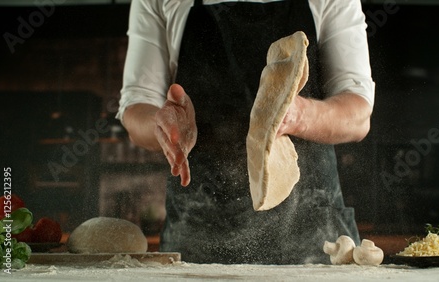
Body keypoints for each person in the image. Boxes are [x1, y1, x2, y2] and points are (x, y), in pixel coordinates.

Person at [117, 0, 374, 264]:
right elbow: (137, 107)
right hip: (199, 231)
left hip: (318, 237)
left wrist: (294, 114)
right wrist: (164, 125)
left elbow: (357, 115)